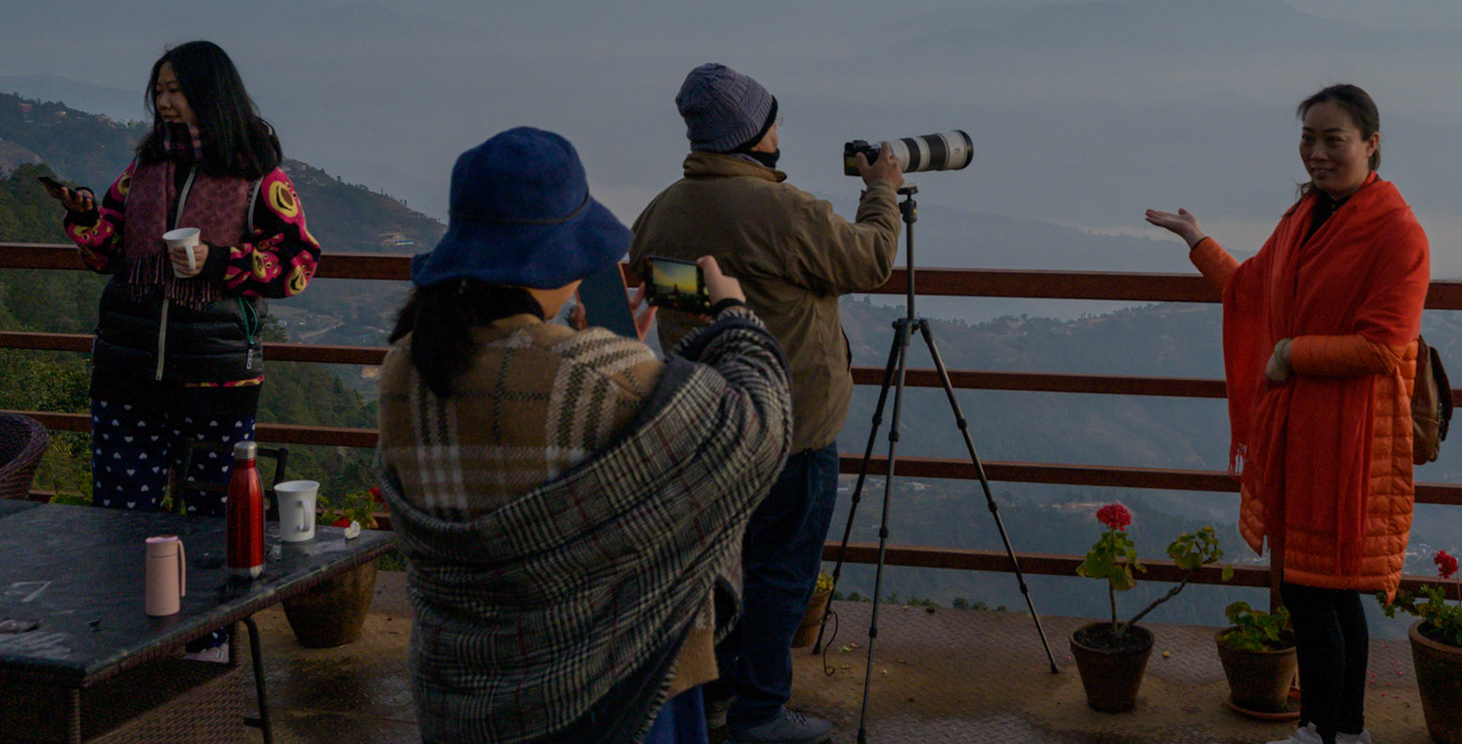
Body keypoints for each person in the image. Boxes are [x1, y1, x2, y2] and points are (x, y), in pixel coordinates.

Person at [377, 127, 792, 744]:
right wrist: (734, 317)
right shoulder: (605, 378)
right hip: (613, 694)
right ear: (552, 257)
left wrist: (596, 346)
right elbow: (758, 429)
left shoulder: (405, 366)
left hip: (461, 698)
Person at [1146, 84, 1428, 744]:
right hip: (1301, 431)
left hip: (1350, 435)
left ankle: (1319, 731)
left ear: (1371, 144)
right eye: (1309, 138)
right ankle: (1344, 731)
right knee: (1329, 589)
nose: (1319, 153)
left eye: (1335, 139)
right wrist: (1198, 241)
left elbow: (1386, 345)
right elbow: (1252, 288)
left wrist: (1291, 354)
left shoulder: (1398, 232)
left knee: (1311, 589)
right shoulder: (1306, 217)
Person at [629, 64, 902, 744]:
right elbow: (871, 260)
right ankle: (761, 714)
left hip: (703, 426)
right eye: (773, 119)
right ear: (753, 133)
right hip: (792, 429)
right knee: (781, 574)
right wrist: (882, 193)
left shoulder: (662, 211)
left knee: (719, 572)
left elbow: (666, 289)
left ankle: (716, 696)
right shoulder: (789, 211)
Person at [46, 41, 322, 518]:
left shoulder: (259, 178)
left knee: (214, 525)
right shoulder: (144, 169)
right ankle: (128, 598)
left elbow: (298, 265)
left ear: (212, 95)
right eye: (160, 91)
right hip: (127, 377)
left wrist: (216, 261)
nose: (165, 102)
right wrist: (86, 216)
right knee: (119, 522)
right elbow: (109, 254)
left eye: (177, 90)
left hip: (216, 383)